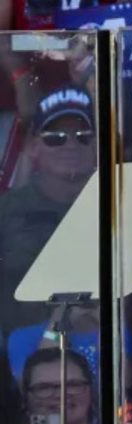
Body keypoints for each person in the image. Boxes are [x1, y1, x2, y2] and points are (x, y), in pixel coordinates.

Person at [0, 86, 97, 333]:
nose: (71, 145)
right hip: (19, 350)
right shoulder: (5, 212)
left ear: (96, 146)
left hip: (102, 346)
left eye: (83, 136)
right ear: (34, 147)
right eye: (56, 137)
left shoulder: (116, 210)